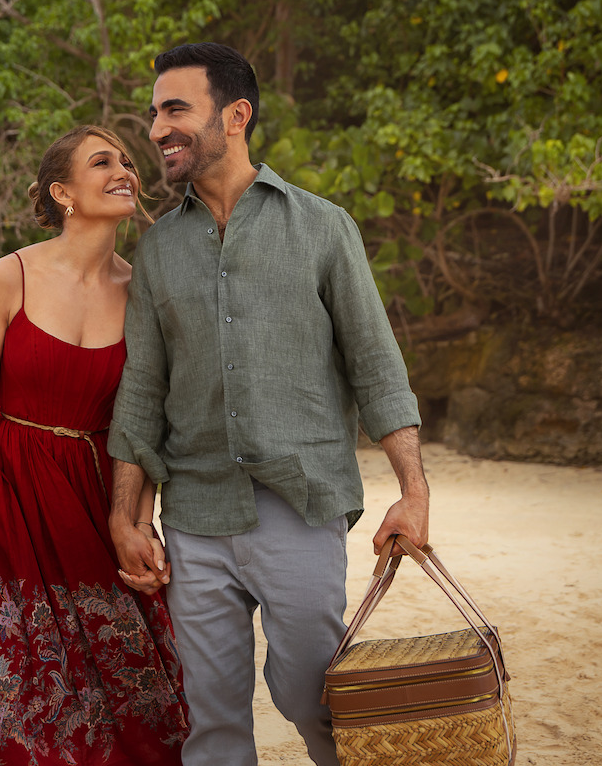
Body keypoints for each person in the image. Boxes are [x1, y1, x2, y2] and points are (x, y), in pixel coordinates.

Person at [107, 43, 430, 766]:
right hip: (194, 515)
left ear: (236, 115)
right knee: (211, 722)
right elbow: (142, 394)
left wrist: (413, 492)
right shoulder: (159, 251)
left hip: (301, 504)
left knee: (315, 696)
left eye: (175, 110)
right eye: (154, 114)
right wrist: (125, 516)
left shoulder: (322, 227)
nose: (157, 129)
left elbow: (377, 367)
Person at [0, 125, 188, 766]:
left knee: (136, 682)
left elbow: (144, 417)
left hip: (98, 497)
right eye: (103, 162)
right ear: (63, 192)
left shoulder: (142, 290)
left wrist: (138, 520)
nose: (124, 170)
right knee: (26, 689)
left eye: (127, 161)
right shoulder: (8, 276)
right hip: (7, 498)